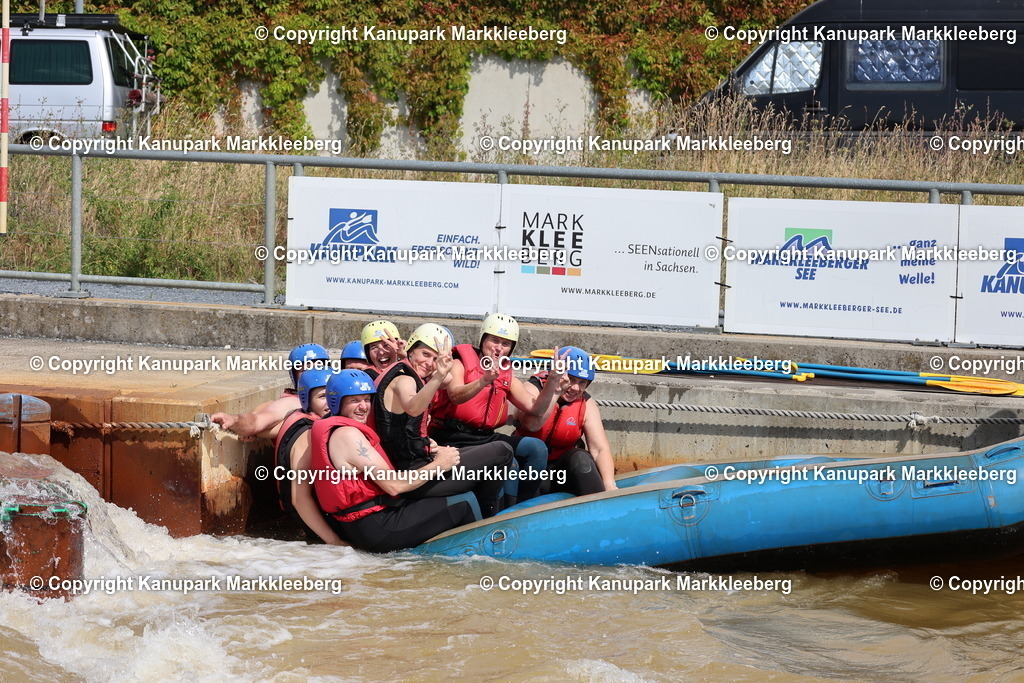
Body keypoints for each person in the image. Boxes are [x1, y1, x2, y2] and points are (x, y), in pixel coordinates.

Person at [311, 369, 482, 552]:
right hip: (378, 527)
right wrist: (439, 464)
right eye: (354, 400)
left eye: (367, 400)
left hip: (365, 524)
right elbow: (394, 486)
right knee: (464, 502)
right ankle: (484, 552)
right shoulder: (347, 435)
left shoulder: (334, 427)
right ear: (337, 402)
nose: (363, 407)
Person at [373, 322, 512, 516]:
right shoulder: (403, 379)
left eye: (435, 358)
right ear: (412, 351)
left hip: (418, 460)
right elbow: (413, 408)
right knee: (502, 451)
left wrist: (433, 367)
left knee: (495, 459)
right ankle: (488, 522)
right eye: (425, 354)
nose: (429, 363)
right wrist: (438, 375)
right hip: (412, 473)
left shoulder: (411, 372)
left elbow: (447, 381)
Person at [430, 313, 565, 507]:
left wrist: (552, 382)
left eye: (505, 344)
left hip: (484, 437)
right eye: (494, 340)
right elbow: (456, 395)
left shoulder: (505, 372)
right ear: (483, 339)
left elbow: (535, 408)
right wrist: (484, 379)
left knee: (536, 448)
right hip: (453, 436)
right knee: (507, 462)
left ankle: (522, 508)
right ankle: (497, 516)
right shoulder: (460, 362)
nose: (498, 348)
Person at [516, 347, 618, 495]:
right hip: (527, 470)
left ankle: (601, 509)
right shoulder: (532, 389)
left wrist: (609, 484)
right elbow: (530, 424)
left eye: (582, 382)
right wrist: (554, 393)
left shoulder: (587, 404)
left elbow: (599, 449)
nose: (575, 388)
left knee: (581, 457)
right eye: (571, 379)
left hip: (559, 472)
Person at [273, 367, 347, 545]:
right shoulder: (307, 436)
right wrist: (335, 542)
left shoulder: (310, 421)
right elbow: (300, 498)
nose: (331, 401)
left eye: (334, 394)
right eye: (323, 396)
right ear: (307, 401)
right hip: (318, 525)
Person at [212, 343, 332, 440]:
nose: (314, 374)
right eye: (305, 370)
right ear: (294, 375)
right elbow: (257, 420)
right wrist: (233, 420)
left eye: (319, 367)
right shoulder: (292, 403)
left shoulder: (340, 395)